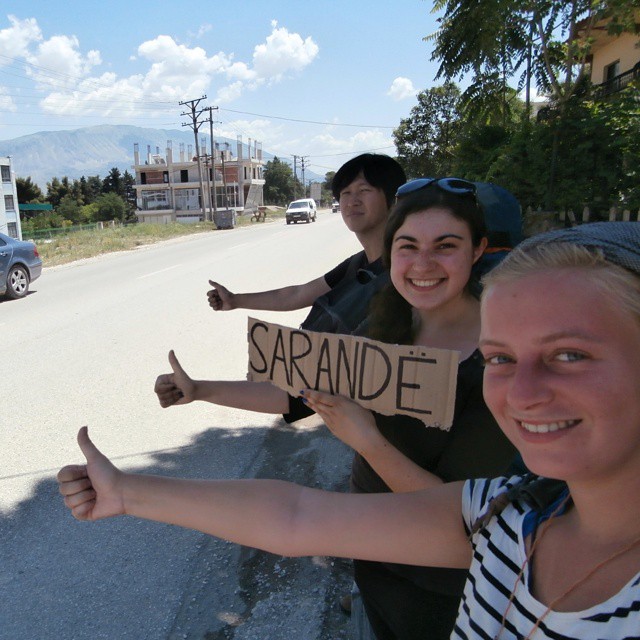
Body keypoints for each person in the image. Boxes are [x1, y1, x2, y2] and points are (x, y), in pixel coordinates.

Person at [59, 221, 640, 639]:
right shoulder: (507, 517)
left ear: (476, 253)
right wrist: (129, 491)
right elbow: (297, 516)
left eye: (570, 355)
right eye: (498, 359)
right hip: (384, 575)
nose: (522, 393)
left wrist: (365, 439)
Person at [158, 178, 517, 639]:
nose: (423, 264)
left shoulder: (501, 361)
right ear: (391, 254)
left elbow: (462, 524)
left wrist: (367, 440)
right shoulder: (387, 318)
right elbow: (299, 395)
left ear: (478, 249)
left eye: (446, 246)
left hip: (444, 590)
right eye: (408, 246)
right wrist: (200, 389)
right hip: (371, 556)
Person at [206, 153, 406, 336]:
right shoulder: (357, 265)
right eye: (345, 193)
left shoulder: (409, 270)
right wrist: (235, 300)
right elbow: (297, 294)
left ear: (393, 199)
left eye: (364, 190)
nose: (352, 201)